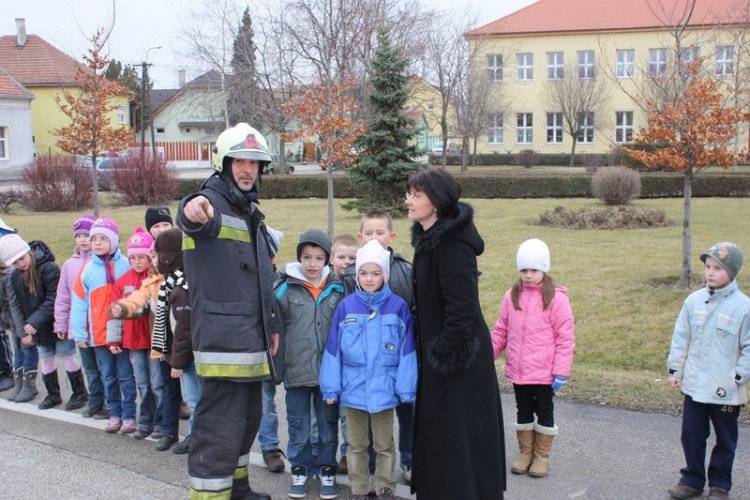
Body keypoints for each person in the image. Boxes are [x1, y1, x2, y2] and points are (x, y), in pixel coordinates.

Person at [177, 122, 280, 500]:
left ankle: (237, 489)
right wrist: (191, 209)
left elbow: (258, 276)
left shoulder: (248, 209)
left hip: (249, 338)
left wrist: (270, 323)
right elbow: (191, 215)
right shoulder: (211, 202)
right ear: (223, 162)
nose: (248, 169)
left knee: (245, 422)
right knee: (218, 428)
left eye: (255, 162)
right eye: (240, 160)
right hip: (224, 343)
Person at [405, 167, 506, 500]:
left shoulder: (452, 246)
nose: (408, 200)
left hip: (458, 364)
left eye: (415, 195)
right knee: (444, 442)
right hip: (441, 358)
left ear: (435, 201)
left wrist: (440, 355)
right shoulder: (430, 240)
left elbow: (461, 312)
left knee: (460, 443)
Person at [320, 240, 417, 500]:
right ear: (357, 275)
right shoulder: (346, 307)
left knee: (384, 445)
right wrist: (331, 386)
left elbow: (407, 351)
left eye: (375, 273)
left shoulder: (398, 307)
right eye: (363, 273)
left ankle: (385, 488)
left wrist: (406, 388)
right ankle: (360, 489)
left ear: (384, 274)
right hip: (353, 391)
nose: (369, 278)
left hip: (385, 390)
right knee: (356, 445)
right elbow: (333, 350)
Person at [666, 242, 750, 500]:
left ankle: (720, 484)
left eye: (718, 268)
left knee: (725, 439)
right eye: (707, 267)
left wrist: (739, 375)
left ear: (732, 272)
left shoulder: (744, 307)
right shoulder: (693, 301)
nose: (710, 273)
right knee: (691, 435)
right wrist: (675, 370)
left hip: (725, 390)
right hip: (694, 386)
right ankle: (691, 480)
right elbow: (681, 337)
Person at [491, 238, 575, 478]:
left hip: (546, 372)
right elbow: (500, 331)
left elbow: (565, 337)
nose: (528, 275)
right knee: (523, 410)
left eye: (534, 270)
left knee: (545, 411)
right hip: (520, 371)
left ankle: (541, 456)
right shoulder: (511, 296)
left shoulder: (557, 299)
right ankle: (525, 452)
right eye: (524, 270)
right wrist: (486, 356)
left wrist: (561, 371)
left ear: (544, 269)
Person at [342, 211, 415, 483]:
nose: (374, 238)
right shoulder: (352, 275)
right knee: (369, 413)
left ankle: (408, 459)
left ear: (392, 236)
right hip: (366, 364)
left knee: (407, 411)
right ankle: (369, 463)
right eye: (369, 233)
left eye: (380, 232)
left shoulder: (405, 270)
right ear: (360, 238)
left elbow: (414, 311)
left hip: (398, 360)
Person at [274, 228, 343, 500]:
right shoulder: (284, 289)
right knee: (298, 424)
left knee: (328, 425)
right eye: (306, 257)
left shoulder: (338, 288)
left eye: (318, 258)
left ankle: (327, 470)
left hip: (329, 374)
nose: (312, 264)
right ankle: (300, 469)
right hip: (296, 371)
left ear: (327, 259)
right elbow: (273, 329)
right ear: (299, 258)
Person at [71, 216, 133, 433]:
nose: (97, 243)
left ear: (114, 241)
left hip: (123, 335)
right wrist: (80, 333)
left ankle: (129, 415)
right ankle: (114, 413)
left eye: (103, 239)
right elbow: (79, 304)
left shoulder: (126, 265)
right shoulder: (87, 270)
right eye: (93, 238)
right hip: (98, 335)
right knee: (107, 375)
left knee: (126, 375)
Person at [153, 228, 201, 455]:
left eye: (157, 256)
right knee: (196, 399)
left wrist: (178, 362)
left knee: (194, 399)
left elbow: (184, 329)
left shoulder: (182, 289)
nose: (155, 260)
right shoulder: (174, 283)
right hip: (187, 354)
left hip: (189, 357)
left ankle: (197, 438)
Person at [0, 235, 60, 405]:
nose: (20, 264)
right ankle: (21, 382)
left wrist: (31, 323)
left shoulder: (47, 269)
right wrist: (19, 327)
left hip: (39, 323)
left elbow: (51, 298)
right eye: (15, 262)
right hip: (24, 323)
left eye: (22, 259)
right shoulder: (16, 275)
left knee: (41, 352)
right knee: (20, 349)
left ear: (28, 252)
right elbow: (16, 304)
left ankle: (30, 384)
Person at [107, 228, 155, 436]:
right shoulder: (122, 281)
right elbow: (116, 313)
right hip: (133, 342)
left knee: (158, 385)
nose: (136, 261)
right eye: (133, 257)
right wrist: (114, 340)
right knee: (142, 384)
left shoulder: (155, 279)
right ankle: (145, 422)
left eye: (141, 257)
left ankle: (161, 423)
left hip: (153, 341)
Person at [53, 215, 97, 413]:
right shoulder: (69, 265)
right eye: (78, 235)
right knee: (89, 368)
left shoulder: (101, 262)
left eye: (87, 235)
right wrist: (61, 324)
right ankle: (94, 401)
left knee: (106, 369)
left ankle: (109, 402)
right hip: (80, 327)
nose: (82, 239)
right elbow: (63, 297)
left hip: (99, 325)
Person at [327, 233, 359, 475]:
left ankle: (348, 454)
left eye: (352, 258)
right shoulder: (325, 284)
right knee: (325, 412)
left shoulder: (357, 286)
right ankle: (324, 453)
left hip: (349, 360)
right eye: (341, 257)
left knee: (347, 413)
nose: (346, 262)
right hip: (328, 357)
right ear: (331, 258)